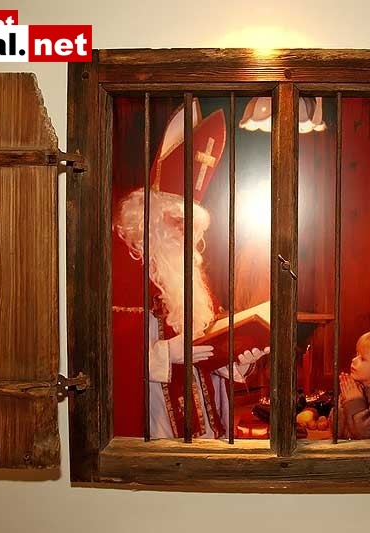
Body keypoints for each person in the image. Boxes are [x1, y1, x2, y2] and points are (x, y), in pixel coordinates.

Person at [112, 98, 267, 439]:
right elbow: (105, 351)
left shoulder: (189, 273)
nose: (184, 231)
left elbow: (205, 350)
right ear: (147, 216)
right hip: (153, 414)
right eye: (176, 218)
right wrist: (164, 354)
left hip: (204, 416)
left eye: (190, 223)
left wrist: (236, 361)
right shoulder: (120, 270)